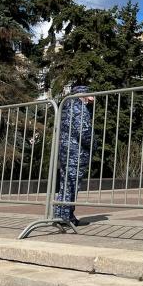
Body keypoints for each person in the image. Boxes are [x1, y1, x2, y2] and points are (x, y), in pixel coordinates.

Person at [54, 85, 94, 226]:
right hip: (76, 152)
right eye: (89, 95)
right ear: (83, 95)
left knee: (65, 184)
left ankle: (59, 215)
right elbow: (84, 132)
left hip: (66, 151)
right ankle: (66, 217)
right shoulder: (79, 108)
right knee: (72, 185)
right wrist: (93, 145)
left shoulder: (66, 106)